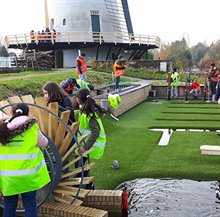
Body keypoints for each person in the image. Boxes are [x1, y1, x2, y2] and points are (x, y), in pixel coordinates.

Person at [0, 103, 50, 217]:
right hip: (28, 177)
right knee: (30, 205)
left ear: (13, 113)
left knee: (9, 206)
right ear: (28, 113)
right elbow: (44, 144)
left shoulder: (2, 130)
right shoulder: (32, 128)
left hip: (9, 179)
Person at [74, 88, 107, 189]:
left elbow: (95, 132)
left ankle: (87, 186)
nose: (75, 98)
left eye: (76, 97)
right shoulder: (85, 110)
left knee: (81, 167)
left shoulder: (89, 114)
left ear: (79, 99)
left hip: (90, 146)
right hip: (86, 145)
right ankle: (86, 185)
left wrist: (85, 148)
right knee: (81, 166)